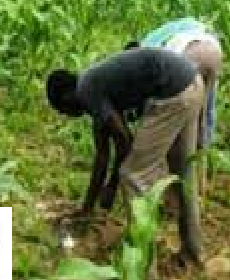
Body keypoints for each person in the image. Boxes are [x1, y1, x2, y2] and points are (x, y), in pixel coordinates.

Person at [46, 47, 205, 265]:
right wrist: (88, 208)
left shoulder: (87, 90)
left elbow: (124, 140)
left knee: (133, 175)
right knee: (183, 173)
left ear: (65, 96)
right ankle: (193, 253)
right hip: (190, 82)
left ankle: (142, 266)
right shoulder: (94, 88)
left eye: (62, 110)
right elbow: (103, 156)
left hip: (173, 92)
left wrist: (112, 185)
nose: (66, 115)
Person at [125, 17, 223, 149]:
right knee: (201, 111)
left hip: (188, 51)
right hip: (215, 52)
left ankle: (180, 161)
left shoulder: (146, 47)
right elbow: (210, 105)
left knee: (177, 112)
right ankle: (203, 156)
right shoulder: (179, 29)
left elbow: (154, 97)